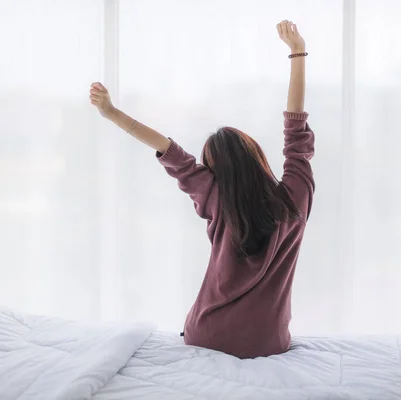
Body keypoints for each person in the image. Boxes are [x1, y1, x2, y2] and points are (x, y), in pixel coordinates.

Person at [89, 20, 314, 359]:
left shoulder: (215, 195)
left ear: (215, 172)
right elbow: (295, 130)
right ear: (255, 157)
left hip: (207, 336)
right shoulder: (294, 198)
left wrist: (111, 112)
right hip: (267, 343)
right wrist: (297, 52)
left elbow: (169, 149)